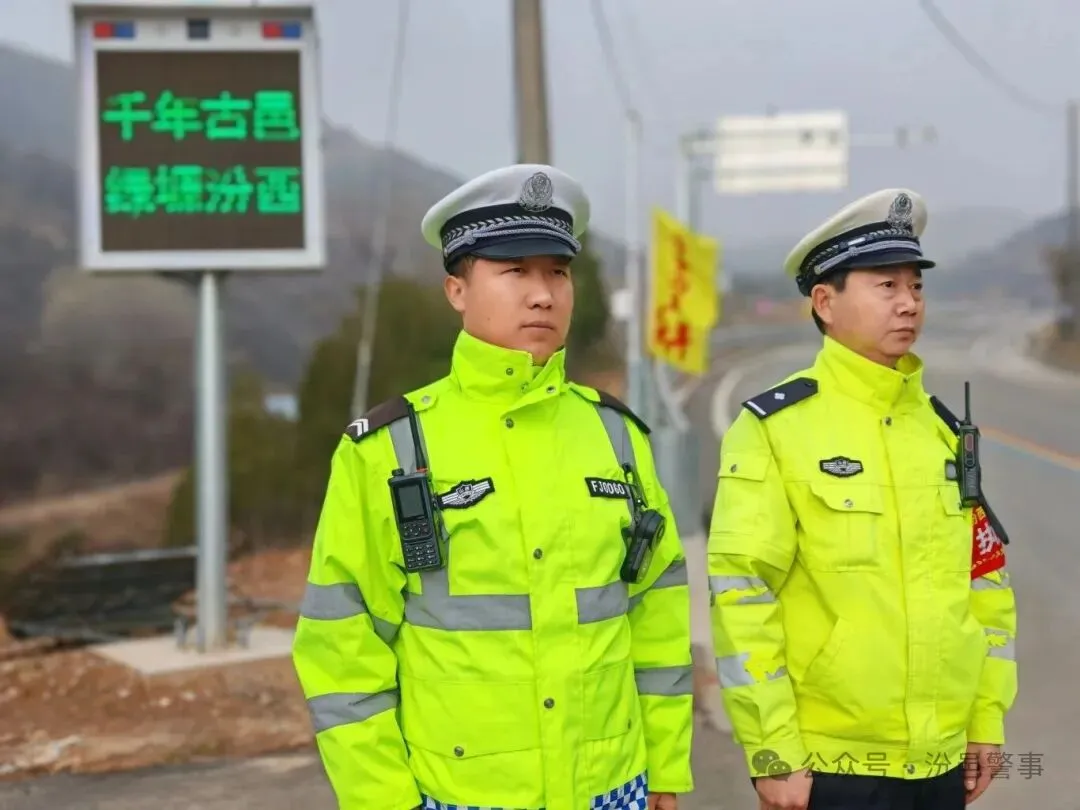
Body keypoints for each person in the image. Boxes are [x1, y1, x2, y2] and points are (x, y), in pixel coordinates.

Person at [292, 164, 695, 810]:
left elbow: (657, 615)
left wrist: (665, 768)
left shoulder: (617, 437)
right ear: (457, 289)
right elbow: (341, 648)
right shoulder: (389, 449)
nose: (542, 295)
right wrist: (383, 801)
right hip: (457, 795)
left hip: (613, 788)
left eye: (557, 273)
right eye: (515, 272)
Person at [705, 188, 1018, 810]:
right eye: (886, 286)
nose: (908, 303)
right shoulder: (776, 428)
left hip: (941, 761)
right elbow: (743, 594)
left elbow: (985, 583)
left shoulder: (944, 432)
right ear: (825, 302)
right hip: (829, 764)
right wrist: (772, 750)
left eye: (916, 286)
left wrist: (986, 719)